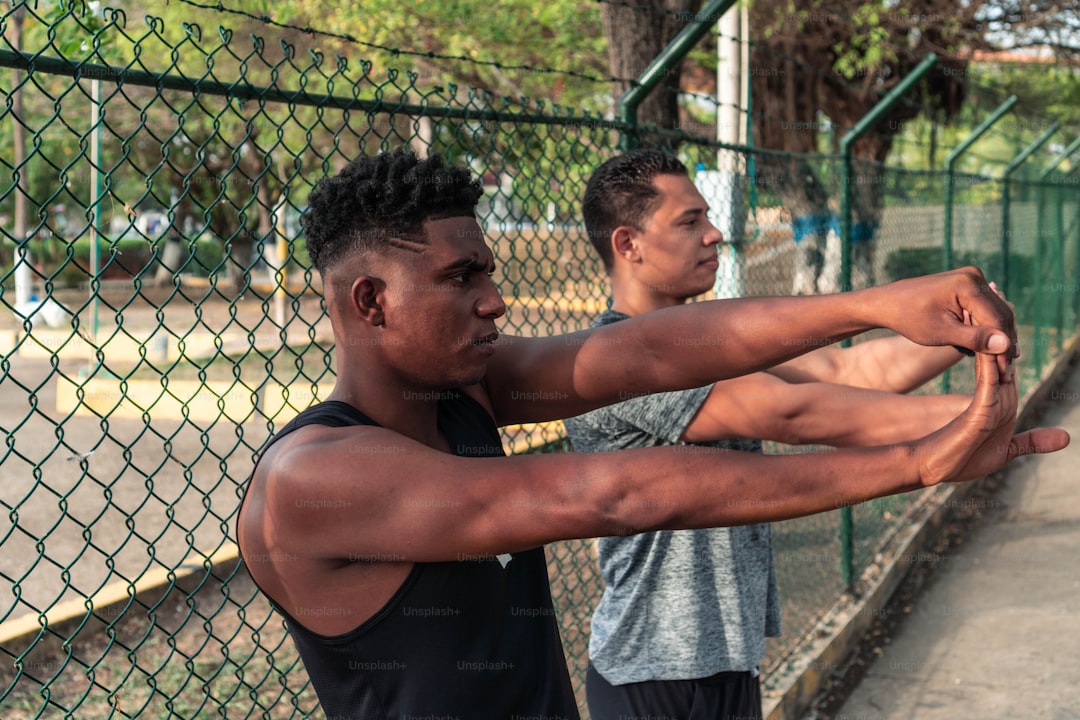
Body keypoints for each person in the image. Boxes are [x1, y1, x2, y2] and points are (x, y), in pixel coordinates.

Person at [235, 147, 1067, 720]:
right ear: (370, 303)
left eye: (487, 271)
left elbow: (650, 348)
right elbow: (615, 492)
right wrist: (921, 460)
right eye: (461, 278)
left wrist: (875, 304)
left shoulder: (468, 396)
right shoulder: (314, 479)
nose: (494, 299)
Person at [565, 148, 999, 719]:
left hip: (729, 665)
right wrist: (984, 417)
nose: (715, 234)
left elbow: (849, 371)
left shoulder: (704, 341)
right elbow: (790, 413)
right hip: (654, 674)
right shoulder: (614, 361)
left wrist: (973, 331)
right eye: (689, 222)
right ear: (628, 244)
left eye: (707, 217)